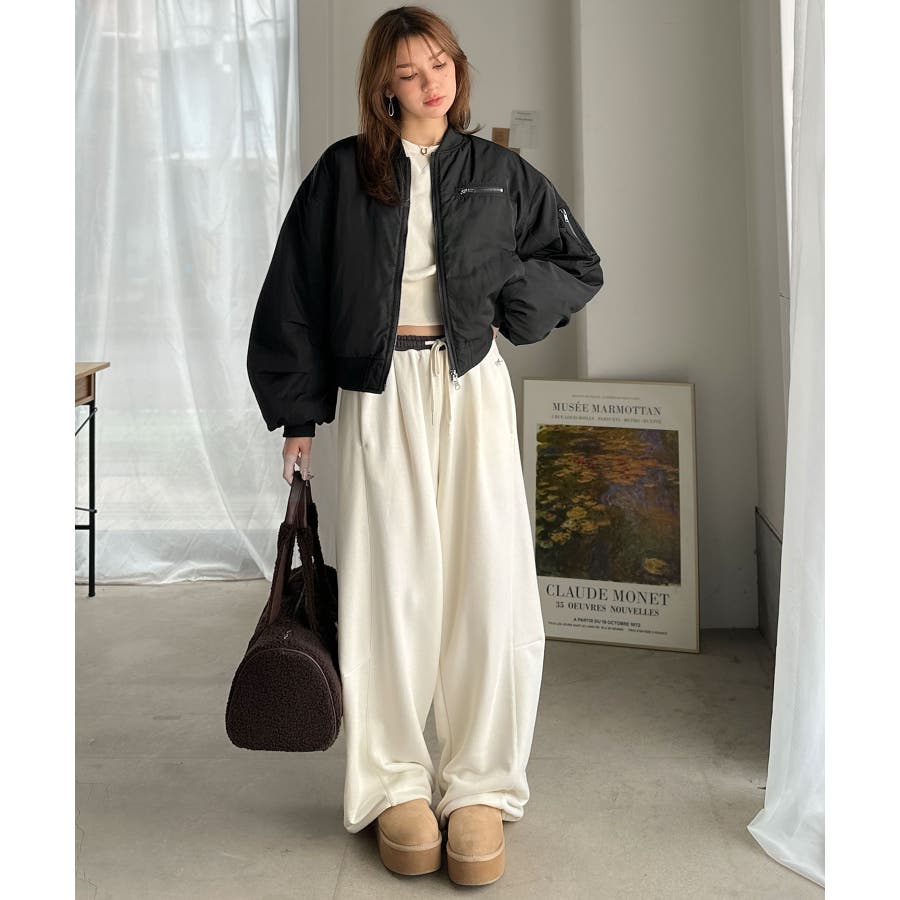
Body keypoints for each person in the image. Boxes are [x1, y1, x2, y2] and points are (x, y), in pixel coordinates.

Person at [247, 4, 604, 887]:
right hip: (380, 397)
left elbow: (577, 263)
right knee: (390, 591)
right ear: (383, 87)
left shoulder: (498, 173)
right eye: (408, 72)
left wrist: (509, 304)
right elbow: (294, 292)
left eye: (439, 63)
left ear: (457, 67)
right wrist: (300, 418)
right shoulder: (343, 175)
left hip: (471, 388)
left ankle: (480, 783)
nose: (429, 82)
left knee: (488, 587)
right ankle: (394, 782)